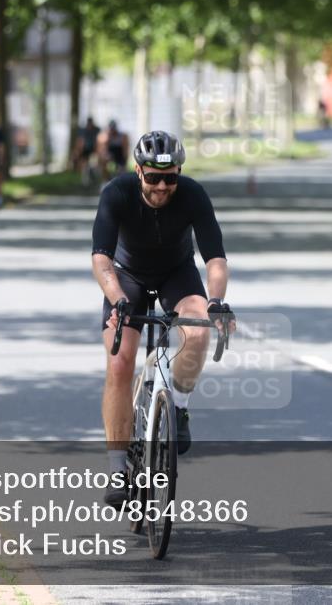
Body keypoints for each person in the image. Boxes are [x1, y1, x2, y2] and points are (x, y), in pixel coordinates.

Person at [91, 131, 233, 507]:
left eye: (170, 177)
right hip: (127, 278)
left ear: (179, 173)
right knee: (120, 363)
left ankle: (180, 406)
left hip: (176, 272)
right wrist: (117, 298)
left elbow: (215, 258)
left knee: (199, 328)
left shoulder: (192, 195)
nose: (161, 186)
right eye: (152, 177)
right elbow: (101, 258)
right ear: (138, 171)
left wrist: (216, 300)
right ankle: (118, 467)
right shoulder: (116, 193)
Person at [73, 116, 101, 185]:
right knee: (85, 166)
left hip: (94, 150)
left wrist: (97, 151)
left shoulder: (96, 130)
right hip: (85, 150)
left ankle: (93, 177)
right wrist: (77, 151)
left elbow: (99, 141)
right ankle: (85, 180)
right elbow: (79, 141)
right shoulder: (83, 131)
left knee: (94, 164)